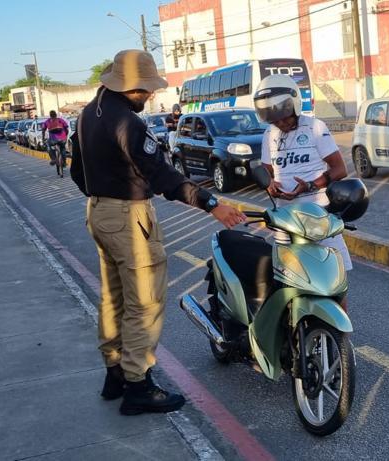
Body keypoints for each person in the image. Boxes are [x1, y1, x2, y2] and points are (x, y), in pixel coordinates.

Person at [69, 50, 246, 415]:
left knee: (114, 298)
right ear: (131, 88)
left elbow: (76, 172)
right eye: (146, 89)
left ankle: (115, 373)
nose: (150, 94)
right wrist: (212, 204)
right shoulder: (127, 124)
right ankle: (138, 385)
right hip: (128, 217)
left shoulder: (88, 114)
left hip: (99, 211)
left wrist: (102, 195)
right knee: (144, 302)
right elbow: (162, 176)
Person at [252, 74, 353, 305]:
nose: (281, 124)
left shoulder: (316, 127)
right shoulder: (269, 134)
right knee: (287, 282)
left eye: (284, 118)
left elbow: (339, 169)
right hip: (285, 219)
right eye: (275, 120)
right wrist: (270, 184)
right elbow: (267, 171)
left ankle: (342, 339)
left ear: (294, 106)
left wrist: (309, 185)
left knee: (335, 282)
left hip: (318, 215)